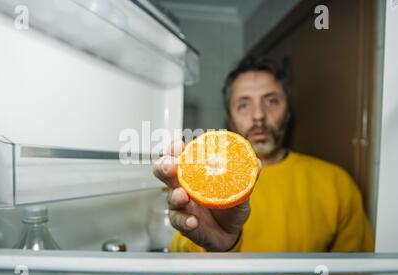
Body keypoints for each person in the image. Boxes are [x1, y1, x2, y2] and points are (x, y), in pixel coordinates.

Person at [153, 55, 374, 253]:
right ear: (230, 118)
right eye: (243, 105)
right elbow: (182, 270)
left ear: (287, 112)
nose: (258, 115)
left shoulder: (336, 184)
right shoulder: (201, 186)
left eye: (271, 101)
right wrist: (218, 247)